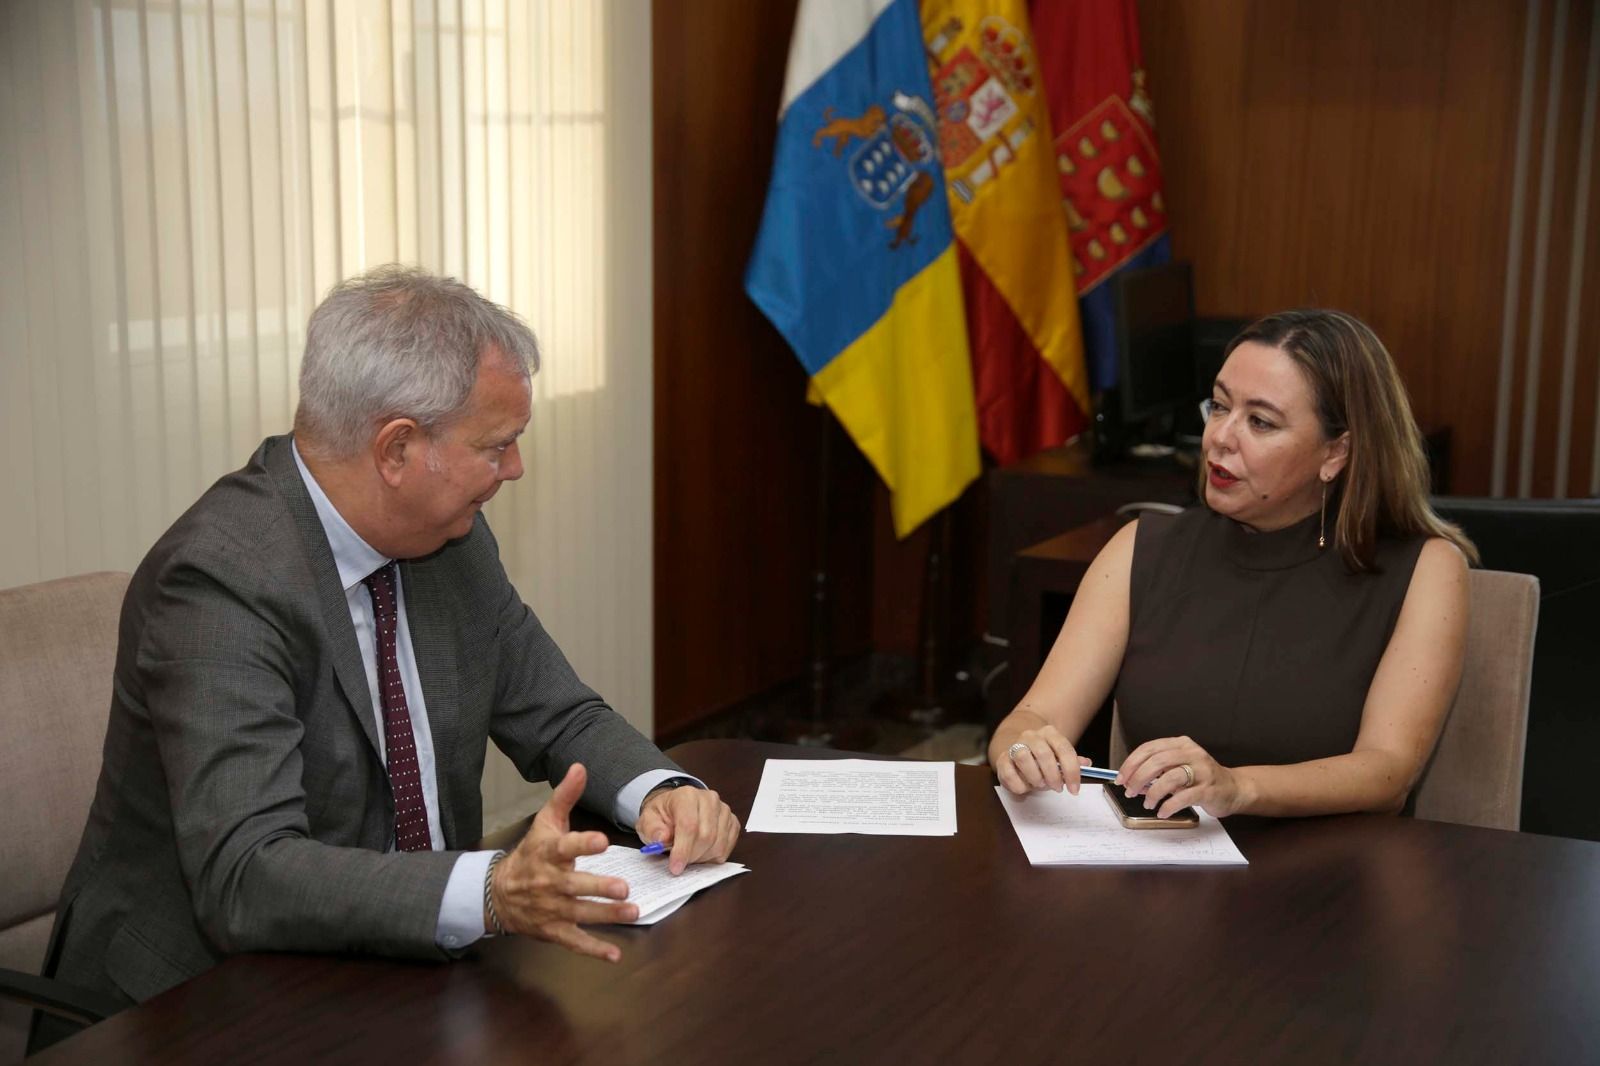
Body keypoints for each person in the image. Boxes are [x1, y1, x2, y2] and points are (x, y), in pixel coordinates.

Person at [38, 267, 740, 1037]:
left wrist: (661, 792)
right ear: (397, 447)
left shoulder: (450, 537)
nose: (514, 469)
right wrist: (491, 892)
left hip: (399, 973)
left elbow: (557, 710)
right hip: (194, 1006)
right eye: (497, 446)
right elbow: (247, 872)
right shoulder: (221, 581)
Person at [989, 308, 1476, 821]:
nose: (1220, 437)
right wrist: (1022, 749)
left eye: (1260, 422)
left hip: (1334, 861)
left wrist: (1239, 787)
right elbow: (1032, 717)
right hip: (1164, 858)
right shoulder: (1141, 548)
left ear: (1336, 452)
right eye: (1219, 407)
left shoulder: (1424, 569)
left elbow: (1387, 772)